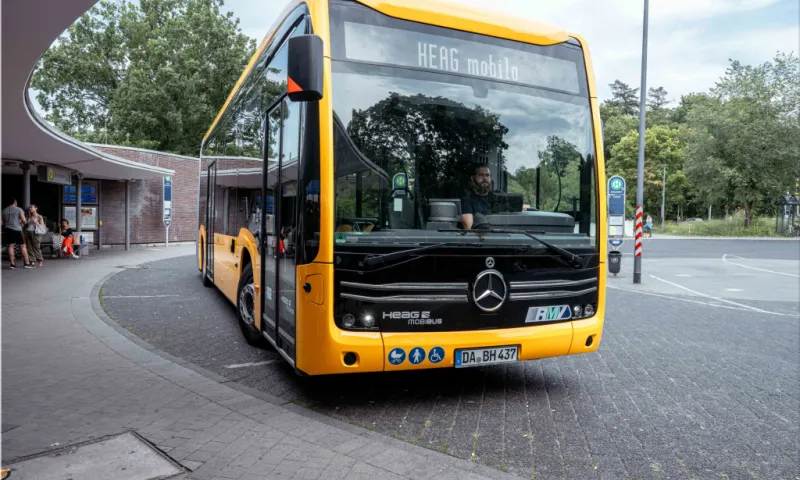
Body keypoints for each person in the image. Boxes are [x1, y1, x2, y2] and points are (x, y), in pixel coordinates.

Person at [2, 198, 34, 269]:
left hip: (8, 230)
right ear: (15, 202)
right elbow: (24, 220)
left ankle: (12, 264)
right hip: (17, 230)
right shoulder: (18, 209)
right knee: (23, 246)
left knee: (11, 246)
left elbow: (1, 223)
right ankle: (26, 263)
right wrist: (23, 222)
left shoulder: (3, 211)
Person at [460, 164, 493, 229]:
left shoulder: (496, 198)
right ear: (473, 178)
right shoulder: (467, 200)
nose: (485, 178)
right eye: (481, 175)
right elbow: (468, 227)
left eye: (487, 175)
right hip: (480, 236)